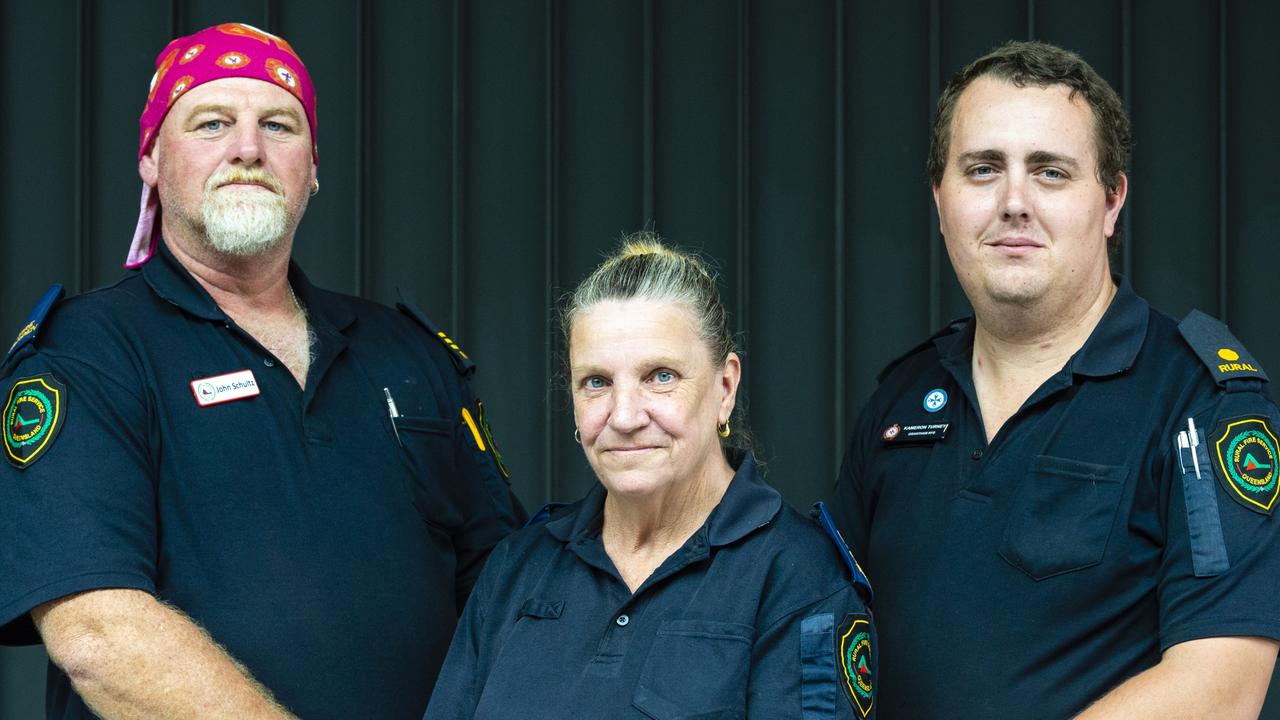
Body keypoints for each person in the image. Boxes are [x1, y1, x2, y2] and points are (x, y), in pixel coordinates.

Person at [0, 23, 524, 720]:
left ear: (312, 167)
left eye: (278, 125)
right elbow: (98, 636)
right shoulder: (86, 353)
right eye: (212, 123)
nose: (248, 149)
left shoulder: (410, 353)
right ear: (151, 159)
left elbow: (515, 596)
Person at [831, 40, 1280, 718]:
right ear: (940, 199)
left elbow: (1218, 690)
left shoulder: (1197, 402)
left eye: (1050, 173)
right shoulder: (900, 401)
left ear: (1111, 201)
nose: (1014, 202)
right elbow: (817, 622)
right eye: (982, 170)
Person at [425, 234, 878, 719]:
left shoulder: (799, 580)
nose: (623, 416)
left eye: (660, 376)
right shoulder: (518, 566)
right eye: (596, 382)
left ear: (725, 387)